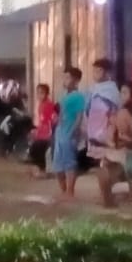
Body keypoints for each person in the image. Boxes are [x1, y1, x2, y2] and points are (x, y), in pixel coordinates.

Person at [52, 67, 88, 199]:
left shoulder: (78, 96)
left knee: (69, 164)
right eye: (64, 77)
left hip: (69, 134)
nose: (65, 80)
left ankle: (70, 192)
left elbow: (79, 116)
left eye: (68, 78)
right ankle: (63, 191)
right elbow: (61, 114)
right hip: (60, 133)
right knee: (58, 166)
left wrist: (73, 131)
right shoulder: (64, 96)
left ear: (76, 81)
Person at [82, 58, 122, 172]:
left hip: (105, 122)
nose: (95, 74)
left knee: (106, 150)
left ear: (107, 72)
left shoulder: (111, 88)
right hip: (94, 121)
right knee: (96, 149)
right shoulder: (92, 88)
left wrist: (112, 124)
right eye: (94, 71)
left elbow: (115, 109)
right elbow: (87, 105)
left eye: (99, 71)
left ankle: (108, 172)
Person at [28, 83, 58, 178]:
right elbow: (41, 122)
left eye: (42, 93)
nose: (39, 95)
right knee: (34, 149)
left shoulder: (49, 105)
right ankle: (41, 170)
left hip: (48, 134)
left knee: (36, 148)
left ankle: (43, 170)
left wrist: (49, 134)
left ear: (47, 94)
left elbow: (52, 121)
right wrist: (36, 131)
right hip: (42, 133)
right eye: (38, 93)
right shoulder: (41, 105)